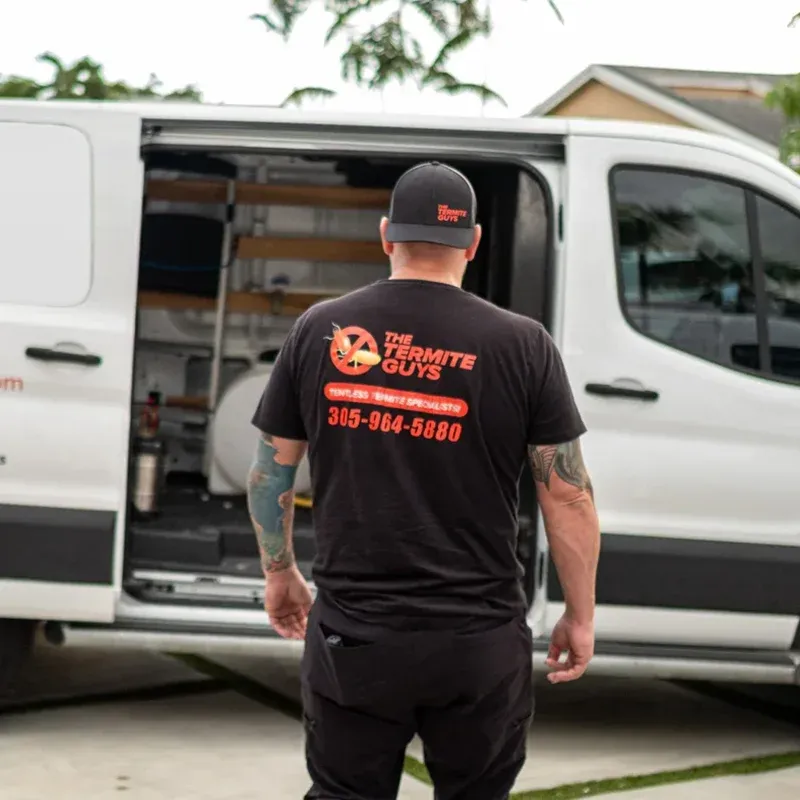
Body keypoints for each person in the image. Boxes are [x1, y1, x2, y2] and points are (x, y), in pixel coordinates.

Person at [247, 161, 601, 800]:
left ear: (386, 235)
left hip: (354, 636)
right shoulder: (523, 345)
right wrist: (579, 615)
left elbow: (271, 469)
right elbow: (567, 494)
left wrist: (281, 572)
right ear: (473, 242)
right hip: (477, 642)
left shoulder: (319, 330)